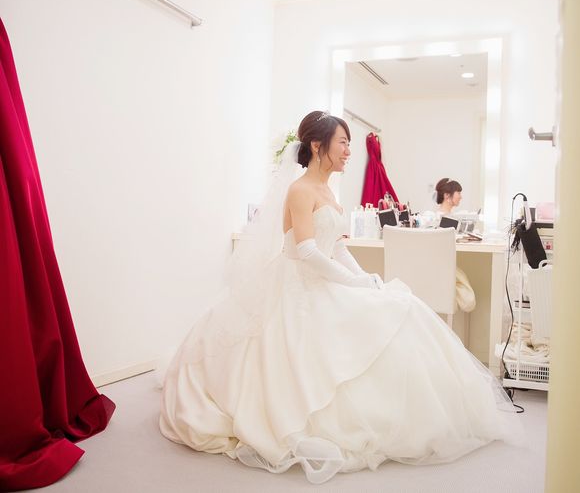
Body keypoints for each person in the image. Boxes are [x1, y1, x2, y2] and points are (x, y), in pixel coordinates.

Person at [159, 111, 521, 484]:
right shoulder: (300, 190)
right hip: (299, 284)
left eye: (349, 143)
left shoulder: (328, 191)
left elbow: (336, 247)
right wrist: (353, 283)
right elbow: (307, 251)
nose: (349, 151)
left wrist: (365, 279)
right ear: (318, 146)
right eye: (343, 142)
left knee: (401, 305)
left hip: (325, 280)